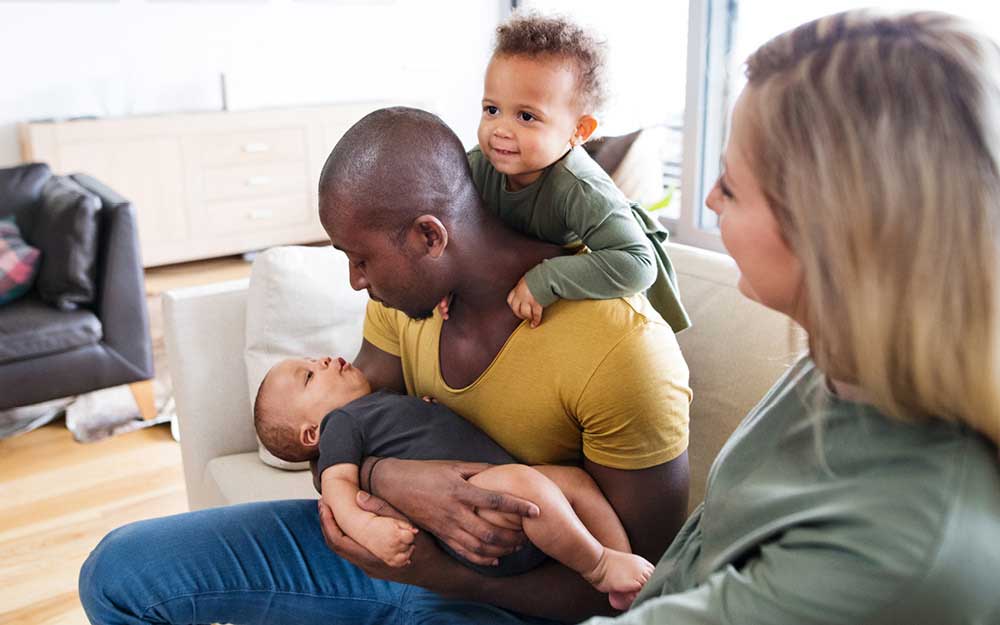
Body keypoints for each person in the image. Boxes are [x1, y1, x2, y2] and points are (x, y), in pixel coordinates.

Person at [79, 106, 691, 624]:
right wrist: (394, 483)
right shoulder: (409, 303)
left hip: (506, 601)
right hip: (380, 545)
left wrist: (453, 578)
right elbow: (333, 437)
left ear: (430, 236)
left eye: (360, 258)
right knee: (115, 570)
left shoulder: (621, 350)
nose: (353, 281)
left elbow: (639, 594)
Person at [580, 10, 1000, 624]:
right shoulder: (851, 357)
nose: (708, 198)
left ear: (837, 233)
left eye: (732, 185)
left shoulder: (898, 549)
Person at [253, 355, 655, 609]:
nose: (322, 361)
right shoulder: (340, 424)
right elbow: (337, 487)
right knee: (524, 483)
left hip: (503, 489)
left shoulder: (376, 406)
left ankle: (625, 585)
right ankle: (599, 567)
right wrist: (368, 529)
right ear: (312, 435)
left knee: (573, 481)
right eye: (308, 376)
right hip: (478, 517)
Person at [446, 12, 690, 332]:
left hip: (609, 258)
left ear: (578, 130)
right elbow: (451, 226)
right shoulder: (477, 165)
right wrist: (448, 277)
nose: (500, 130)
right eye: (492, 109)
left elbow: (639, 265)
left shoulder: (579, 188)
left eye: (526, 116)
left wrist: (547, 278)